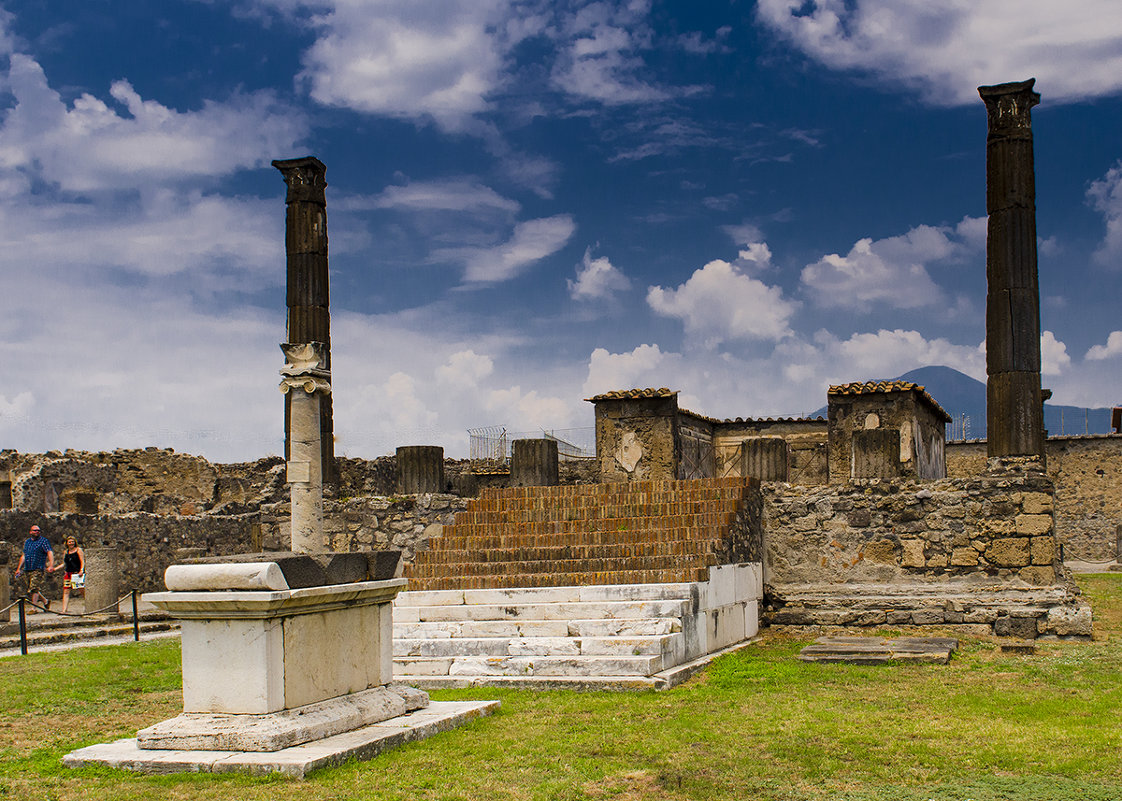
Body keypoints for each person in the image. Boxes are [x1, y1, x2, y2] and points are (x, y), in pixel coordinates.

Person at [14, 524, 54, 613]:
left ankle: (34, 608)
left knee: (34, 588)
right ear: (30, 532)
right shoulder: (27, 542)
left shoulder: (43, 541)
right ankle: (45, 601)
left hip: (38, 568)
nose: (37, 532)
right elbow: (24, 555)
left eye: (38, 530)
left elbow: (49, 552)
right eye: (35, 530)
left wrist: (51, 565)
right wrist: (18, 568)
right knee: (31, 588)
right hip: (28, 568)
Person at [50, 536, 84, 613]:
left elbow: (82, 561)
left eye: (72, 542)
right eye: (69, 542)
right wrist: (55, 569)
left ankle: (89, 605)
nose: (71, 543)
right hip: (68, 573)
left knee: (82, 590)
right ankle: (64, 609)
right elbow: (64, 563)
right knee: (66, 591)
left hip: (77, 573)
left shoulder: (78, 550)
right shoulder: (66, 552)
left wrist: (81, 570)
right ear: (67, 543)